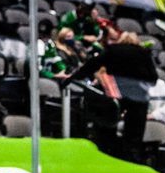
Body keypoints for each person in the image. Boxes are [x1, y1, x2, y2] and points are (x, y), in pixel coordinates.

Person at [63, 31, 157, 160]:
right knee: (134, 138)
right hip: (139, 97)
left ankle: (108, 155)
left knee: (107, 128)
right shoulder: (144, 53)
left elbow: (91, 65)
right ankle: (132, 161)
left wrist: (73, 78)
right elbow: (153, 78)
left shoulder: (112, 50)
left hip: (117, 94)